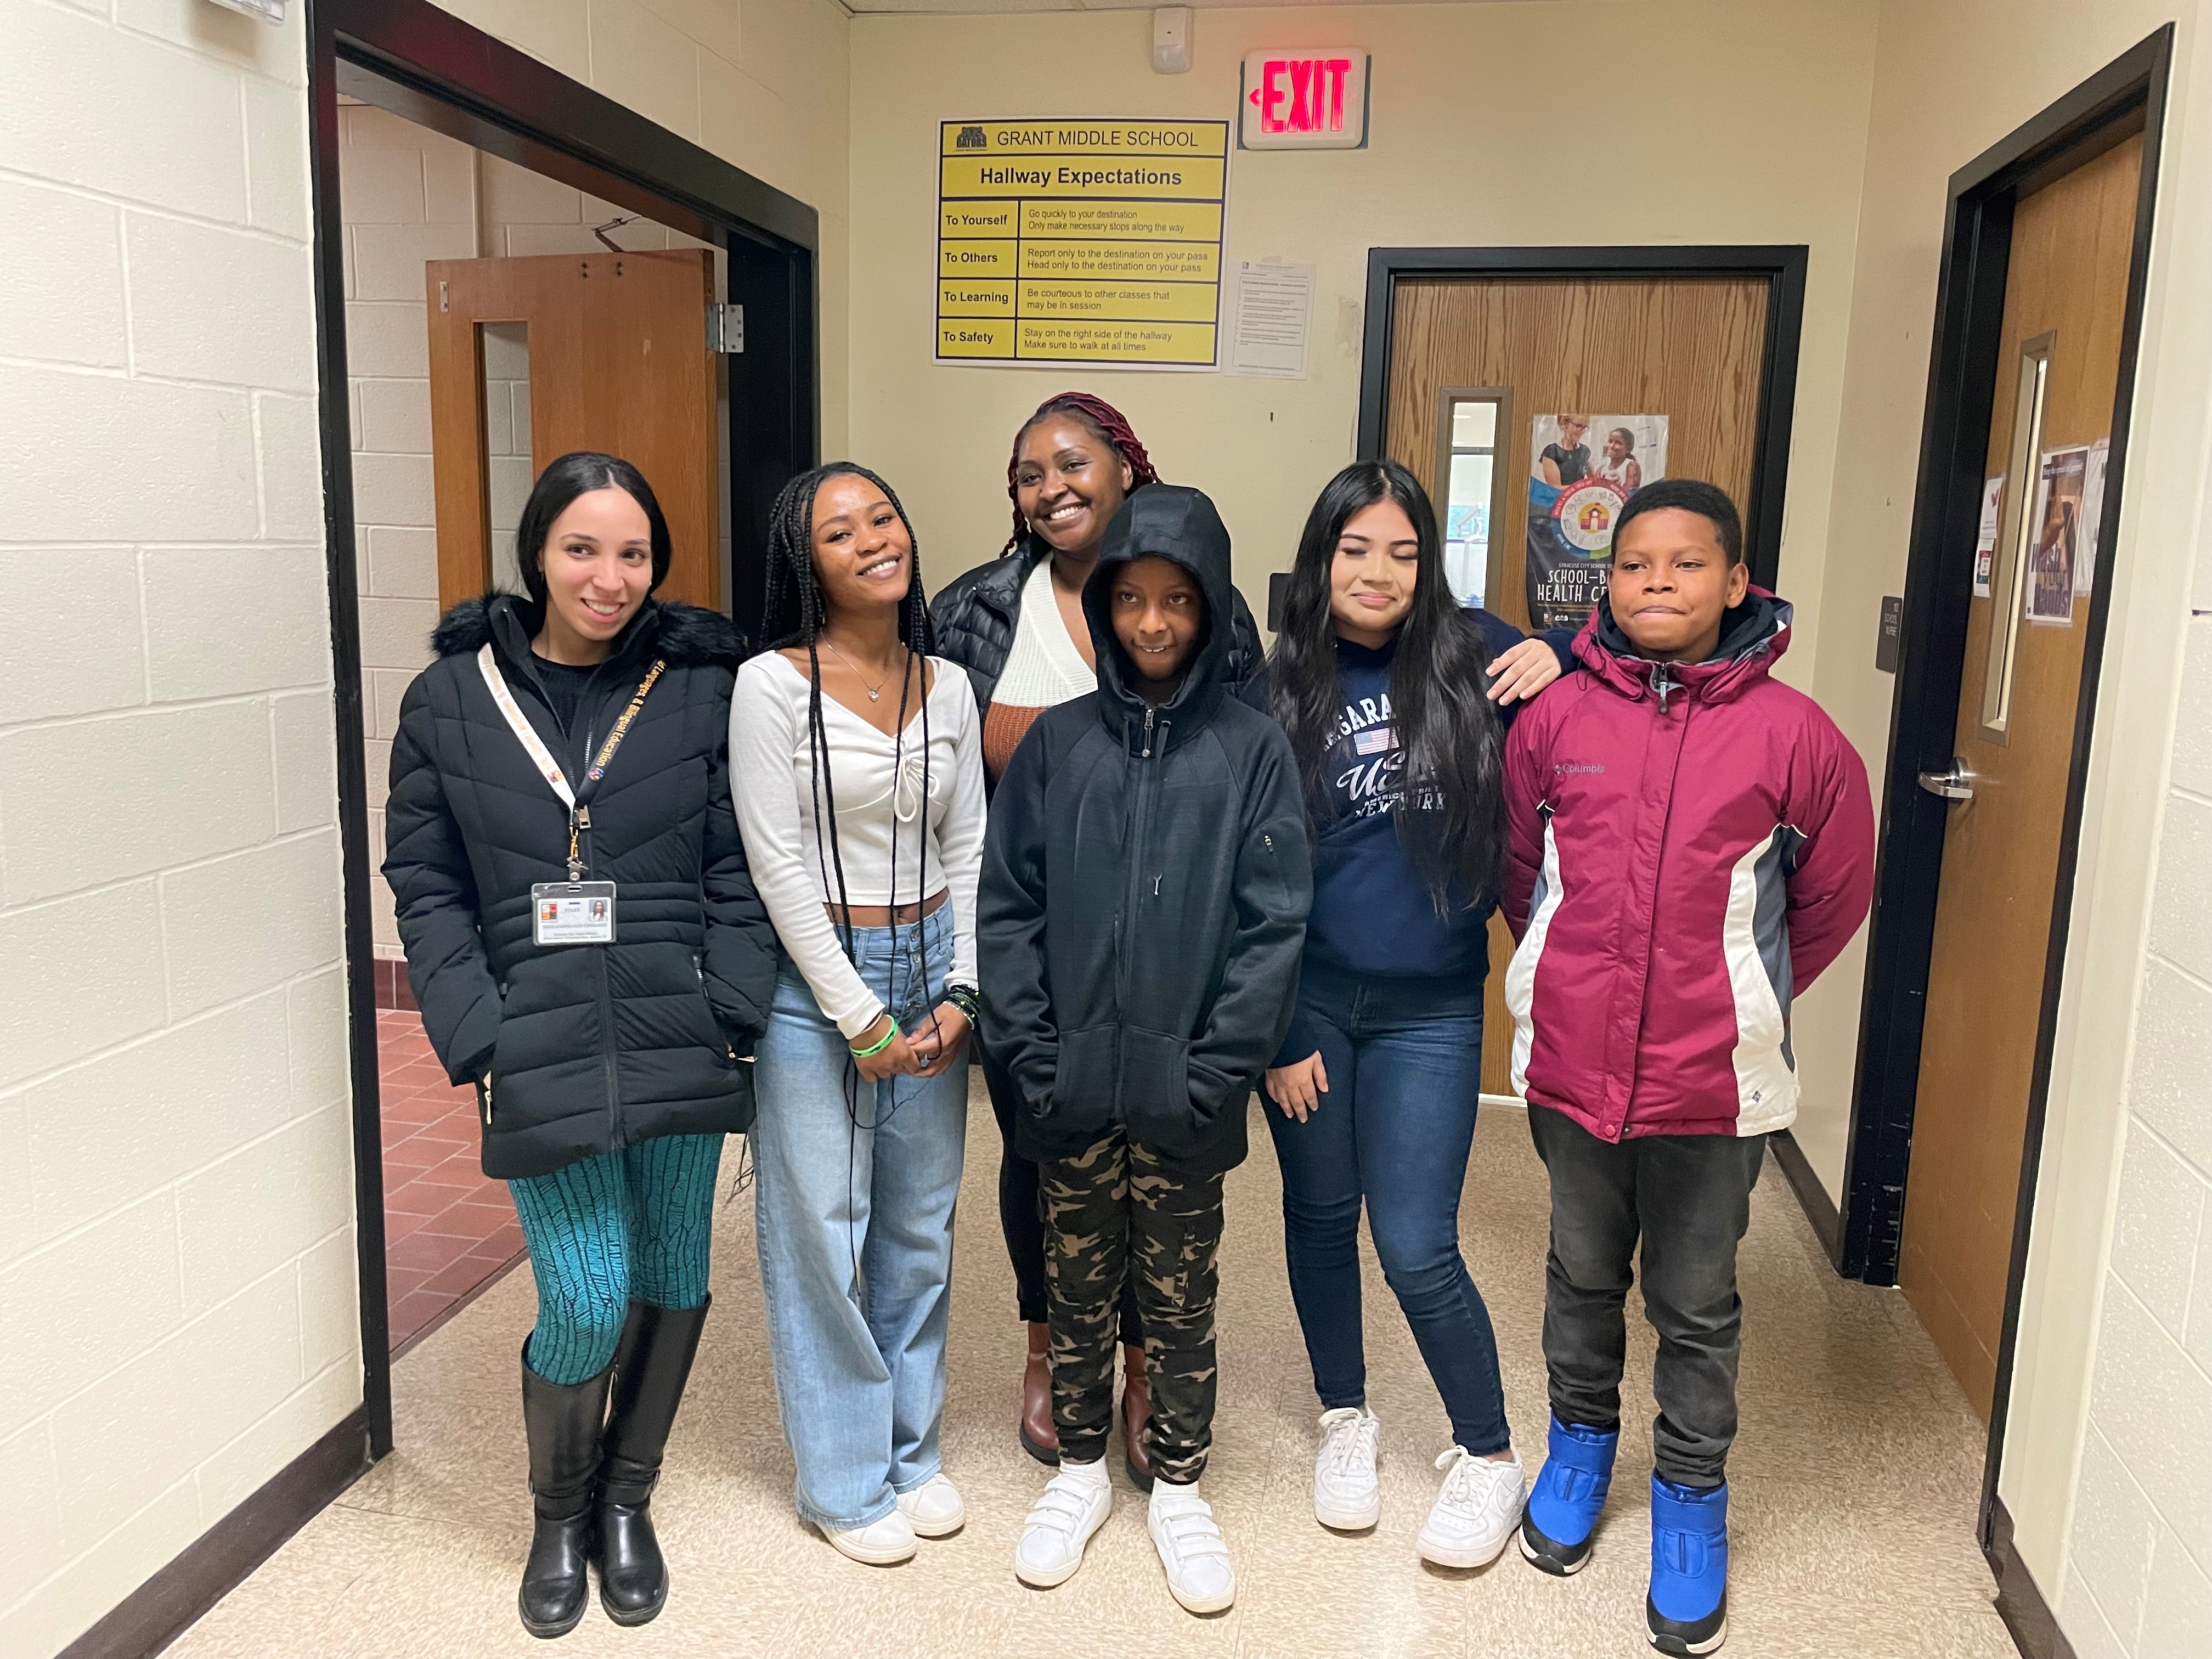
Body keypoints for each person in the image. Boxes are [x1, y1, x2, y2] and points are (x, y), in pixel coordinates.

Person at [383, 450, 778, 1638]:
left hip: (677, 1023)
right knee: (588, 1296)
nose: (610, 578)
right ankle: (558, 1512)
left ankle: (626, 1502)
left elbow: (740, 862)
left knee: (674, 1276)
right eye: (583, 549)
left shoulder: (697, 687)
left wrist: (732, 1004)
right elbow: (426, 877)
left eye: (634, 553)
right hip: (536, 1037)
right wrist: (475, 1026)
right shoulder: (450, 699)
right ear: (537, 555)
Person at [1500, 479, 1874, 1655]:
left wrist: (1736, 1002)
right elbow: (1526, 878)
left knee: (1697, 1304)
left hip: (1714, 1087)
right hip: (1572, 1067)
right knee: (1578, 1272)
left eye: (1685, 562)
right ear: (1605, 585)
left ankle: (1692, 1499)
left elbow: (1829, 901)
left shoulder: (1798, 736)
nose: (1657, 581)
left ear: (1738, 583)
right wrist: (1571, 990)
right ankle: (1577, 1449)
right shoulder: (1557, 719)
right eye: (1633, 564)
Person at [979, 484, 1309, 1615]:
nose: (1155, 622)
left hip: (1189, 1093)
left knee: (1178, 1297)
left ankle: (1177, 1483)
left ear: (1212, 609)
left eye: (1179, 601)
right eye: (1134, 599)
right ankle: (1077, 1472)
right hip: (1066, 1087)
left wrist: (1216, 1069)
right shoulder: (1058, 747)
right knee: (1072, 1287)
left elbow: (1274, 925)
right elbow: (1008, 909)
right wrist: (1031, 1056)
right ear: (1107, 604)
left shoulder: (1252, 750)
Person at [930, 392, 1263, 1480]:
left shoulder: (1200, 603)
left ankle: (1141, 1366)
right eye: (1028, 473)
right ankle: (1049, 1349)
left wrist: (1016, 734)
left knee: (1161, 1181)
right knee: (1044, 1167)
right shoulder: (974, 608)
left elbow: (1237, 748)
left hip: (1168, 948)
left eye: (1072, 463)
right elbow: (936, 742)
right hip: (1034, 945)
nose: (1050, 486)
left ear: (1128, 472)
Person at [1259, 460, 1576, 1569]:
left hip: (1431, 1006)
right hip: (1309, 1006)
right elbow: (1255, 878)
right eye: (1357, 550)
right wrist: (1277, 1031)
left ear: (1427, 562)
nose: (1379, 573)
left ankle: (1488, 1453)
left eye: (1402, 551)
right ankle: (1344, 1417)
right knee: (1316, 1216)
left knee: (1414, 1240)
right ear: (1322, 558)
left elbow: (1638, 641)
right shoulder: (1279, 679)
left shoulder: (1472, 653)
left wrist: (1569, 648)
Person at [729, 463, 987, 1567]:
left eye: (883, 516)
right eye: (841, 533)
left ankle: (910, 1453)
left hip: (932, 956)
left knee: (919, 1228)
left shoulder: (951, 684)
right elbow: (778, 867)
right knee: (821, 1235)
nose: (875, 540)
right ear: (808, 564)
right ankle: (842, 1483)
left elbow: (968, 848)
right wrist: (857, 1015)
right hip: (815, 975)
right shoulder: (772, 686)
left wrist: (963, 990)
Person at [1538, 415, 1593, 488]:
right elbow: (1555, 487)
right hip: (1560, 498)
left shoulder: (1585, 451)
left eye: (1585, 427)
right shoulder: (1552, 452)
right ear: (1564, 424)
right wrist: (1582, 488)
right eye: (1579, 426)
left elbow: (1593, 480)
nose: (1582, 431)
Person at [1592, 427, 1644, 494]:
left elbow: (1630, 493)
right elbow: (1595, 492)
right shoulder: (1600, 470)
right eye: (1610, 441)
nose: (1612, 446)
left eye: (1618, 443)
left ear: (1628, 449)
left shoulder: (1631, 466)